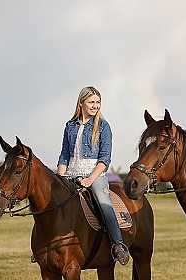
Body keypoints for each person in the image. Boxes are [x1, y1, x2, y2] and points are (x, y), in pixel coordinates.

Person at [57, 86, 130, 265]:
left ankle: (118, 244)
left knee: (105, 204)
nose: (95, 106)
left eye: (98, 102)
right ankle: (42, 245)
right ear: (81, 103)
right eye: (91, 102)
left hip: (94, 174)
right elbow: (64, 155)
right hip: (70, 174)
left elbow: (105, 158)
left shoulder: (103, 127)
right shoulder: (70, 126)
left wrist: (90, 179)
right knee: (51, 201)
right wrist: (59, 178)